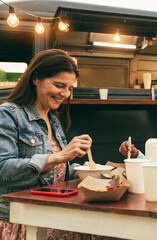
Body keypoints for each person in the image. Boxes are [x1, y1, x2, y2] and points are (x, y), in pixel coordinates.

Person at [0, 49, 96, 239]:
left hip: (52, 217)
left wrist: (79, 169)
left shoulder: (52, 119)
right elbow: (3, 169)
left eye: (69, 88)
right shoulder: (9, 114)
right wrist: (58, 156)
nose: (65, 94)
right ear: (35, 78)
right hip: (22, 220)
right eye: (59, 85)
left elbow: (53, 173)